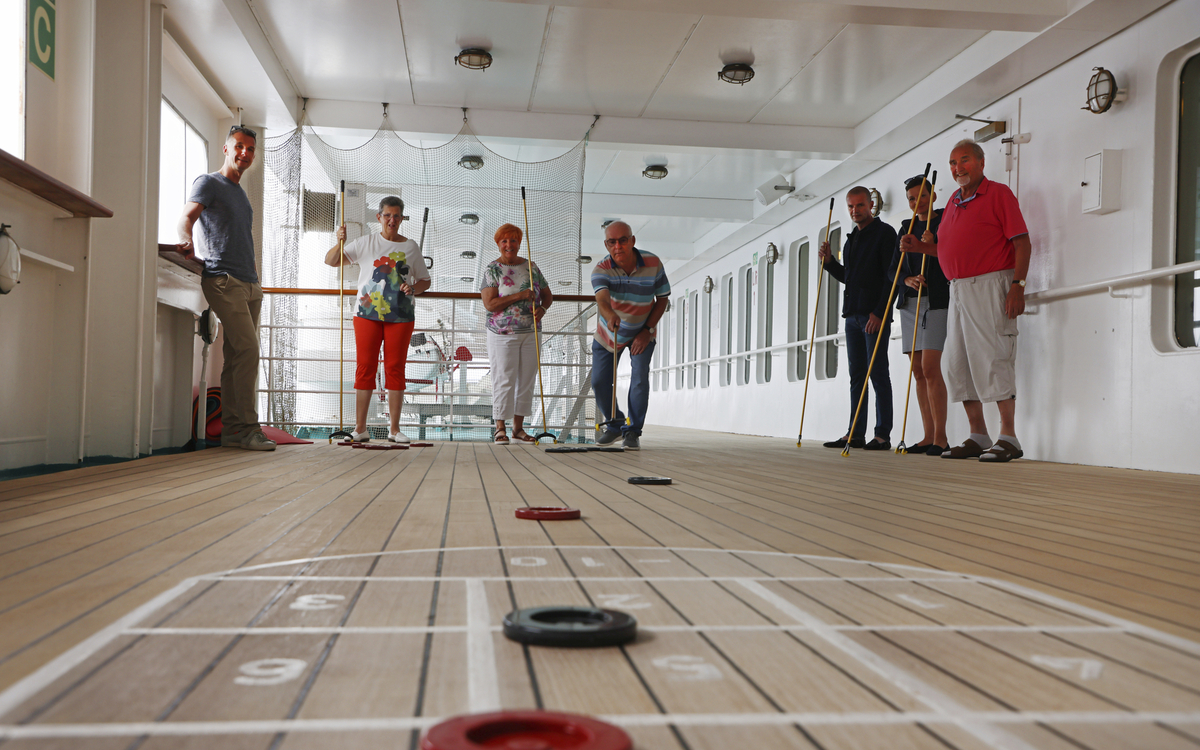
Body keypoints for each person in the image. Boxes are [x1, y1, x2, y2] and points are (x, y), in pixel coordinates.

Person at [900, 139, 1031, 462]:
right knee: (959, 363)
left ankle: (1009, 437)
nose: (958, 168)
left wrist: (1018, 284)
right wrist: (921, 248)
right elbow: (947, 249)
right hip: (957, 288)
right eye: (953, 163)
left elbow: (1022, 242)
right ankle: (978, 433)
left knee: (993, 357)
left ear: (981, 163)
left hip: (991, 284)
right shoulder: (956, 202)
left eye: (964, 160)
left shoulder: (998, 194)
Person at [178, 125, 275, 451]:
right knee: (249, 350)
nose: (245, 153)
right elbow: (187, 217)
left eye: (250, 149)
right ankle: (248, 428)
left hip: (250, 283)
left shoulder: (241, 194)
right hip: (222, 280)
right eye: (239, 147)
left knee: (238, 356)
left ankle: (234, 432)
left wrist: (255, 281)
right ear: (226, 148)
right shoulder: (209, 182)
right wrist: (185, 238)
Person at [325, 196, 431, 443]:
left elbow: (425, 280)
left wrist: (414, 288)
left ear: (402, 218)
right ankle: (360, 428)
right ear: (379, 217)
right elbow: (331, 261)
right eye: (387, 215)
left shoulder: (411, 247)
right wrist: (339, 241)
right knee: (365, 368)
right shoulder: (365, 243)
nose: (392, 220)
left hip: (401, 316)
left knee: (395, 368)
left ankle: (394, 430)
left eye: (397, 216)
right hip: (366, 315)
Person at [818, 187, 899, 451]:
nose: (855, 211)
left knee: (877, 373)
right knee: (857, 376)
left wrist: (880, 312)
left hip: (873, 315)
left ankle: (882, 435)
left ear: (871, 204)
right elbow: (849, 278)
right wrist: (829, 263)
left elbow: (892, 278)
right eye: (851, 207)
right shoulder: (851, 239)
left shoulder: (885, 234)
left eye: (860, 205)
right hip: (852, 316)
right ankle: (855, 433)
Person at [591, 221, 670, 451]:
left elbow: (662, 299)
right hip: (608, 334)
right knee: (599, 382)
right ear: (607, 245)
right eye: (612, 242)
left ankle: (633, 431)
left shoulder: (653, 263)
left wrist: (646, 331)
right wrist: (610, 315)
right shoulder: (601, 269)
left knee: (638, 381)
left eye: (623, 240)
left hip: (642, 332)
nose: (618, 246)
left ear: (632, 240)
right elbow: (603, 301)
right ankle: (615, 424)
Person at [888, 174, 949, 455]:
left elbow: (952, 257)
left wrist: (931, 244)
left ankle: (941, 437)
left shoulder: (945, 221)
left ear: (933, 196)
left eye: (922, 196)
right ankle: (926, 436)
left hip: (936, 301)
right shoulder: (905, 228)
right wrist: (907, 280)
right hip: (910, 304)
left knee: (930, 367)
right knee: (917, 370)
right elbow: (892, 270)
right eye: (911, 199)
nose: (917, 202)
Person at [480, 223, 553, 445]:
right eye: (504, 241)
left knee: (527, 379)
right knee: (504, 377)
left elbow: (548, 295)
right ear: (498, 244)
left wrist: (543, 308)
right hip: (502, 332)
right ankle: (500, 427)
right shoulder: (493, 269)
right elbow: (490, 304)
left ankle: (518, 429)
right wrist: (520, 295)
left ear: (519, 243)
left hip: (531, 330)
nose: (509, 245)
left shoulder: (531, 267)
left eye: (513, 240)